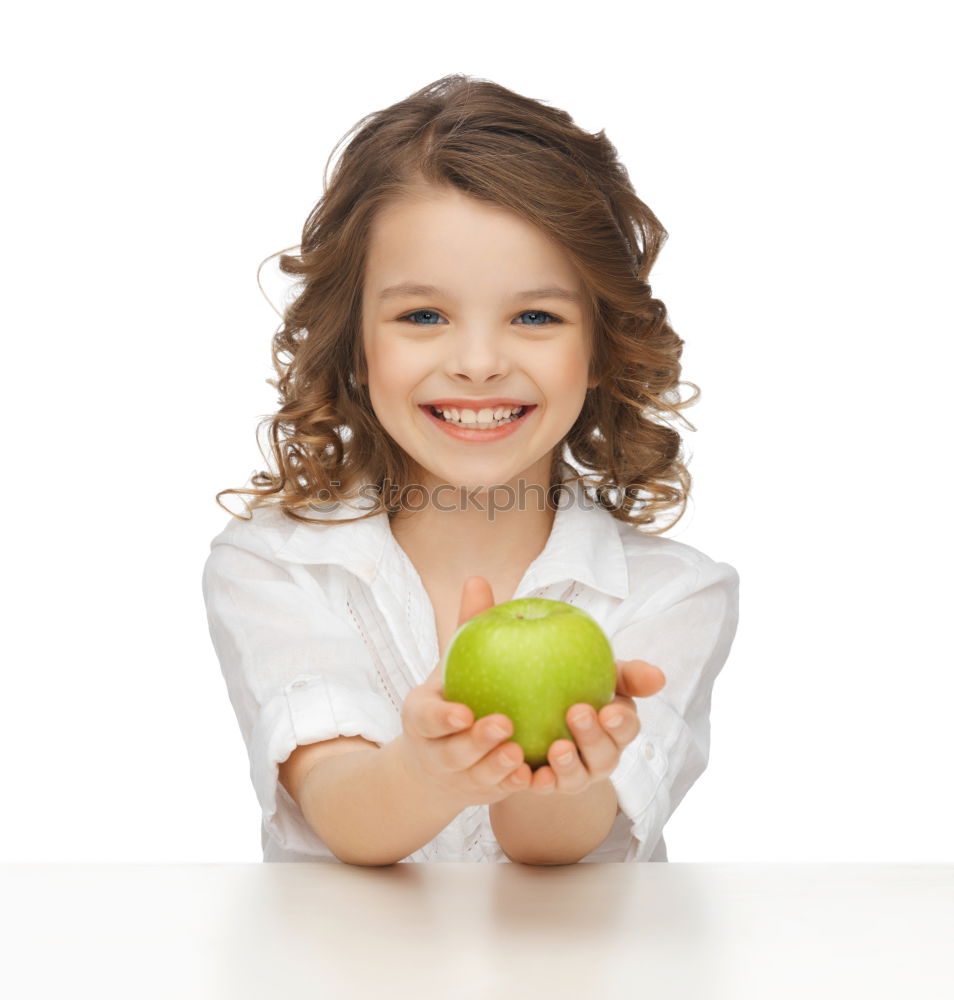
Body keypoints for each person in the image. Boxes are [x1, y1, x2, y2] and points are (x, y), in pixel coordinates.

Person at [201, 74, 740, 867]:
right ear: (355, 343)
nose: (480, 363)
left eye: (535, 316)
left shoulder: (672, 595)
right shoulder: (278, 567)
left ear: (599, 349)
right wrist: (428, 769)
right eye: (423, 315)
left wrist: (553, 771)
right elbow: (346, 815)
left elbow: (554, 848)